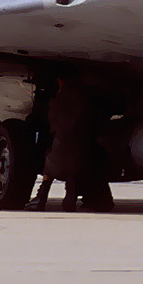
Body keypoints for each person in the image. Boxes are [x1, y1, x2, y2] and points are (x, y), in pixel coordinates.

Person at [39, 74, 113, 212]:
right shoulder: (88, 100)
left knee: (52, 155)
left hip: (57, 162)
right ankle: (94, 197)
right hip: (81, 160)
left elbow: (51, 128)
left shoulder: (54, 103)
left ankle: (41, 197)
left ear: (59, 82)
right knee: (96, 155)